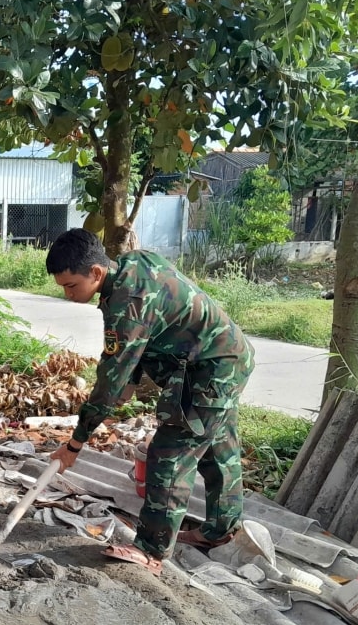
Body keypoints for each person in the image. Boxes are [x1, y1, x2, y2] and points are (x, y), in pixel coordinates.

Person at [46, 229, 254, 575]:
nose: (68, 295)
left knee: (170, 454)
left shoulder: (129, 303)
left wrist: (75, 443)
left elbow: (109, 381)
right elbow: (149, 333)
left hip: (211, 371)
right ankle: (220, 529)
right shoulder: (132, 264)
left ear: (96, 272)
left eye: (71, 286)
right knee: (219, 448)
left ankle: (151, 549)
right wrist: (131, 376)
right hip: (226, 357)